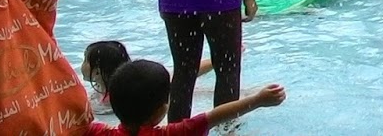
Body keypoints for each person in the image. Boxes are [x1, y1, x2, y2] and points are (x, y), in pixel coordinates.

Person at [84, 59, 285, 135]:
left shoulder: (98, 132)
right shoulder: (173, 133)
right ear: (162, 110)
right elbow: (215, 116)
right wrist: (257, 100)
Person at [82, 40, 215, 118]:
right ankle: (215, 62)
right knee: (180, 79)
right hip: (157, 94)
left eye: (85, 61)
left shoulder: (112, 99)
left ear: (98, 71)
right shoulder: (130, 80)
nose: (82, 65)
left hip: (156, 101)